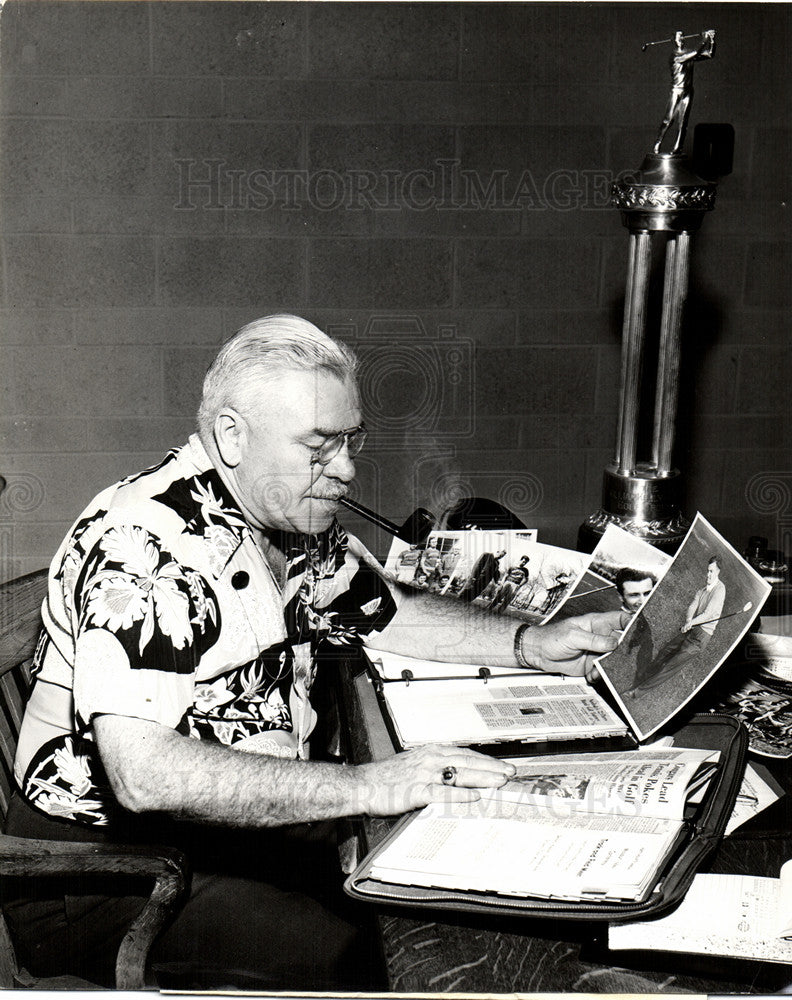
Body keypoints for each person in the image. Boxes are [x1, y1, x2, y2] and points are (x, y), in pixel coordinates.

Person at [5, 315, 623, 990]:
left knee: (460, 880)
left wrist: (533, 645)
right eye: (318, 447)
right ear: (232, 437)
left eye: (349, 442)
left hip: (228, 835)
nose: (347, 470)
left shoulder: (287, 518)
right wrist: (366, 784)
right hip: (111, 880)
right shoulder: (148, 548)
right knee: (370, 957)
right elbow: (143, 775)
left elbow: (389, 613)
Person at [626, 555, 725, 695]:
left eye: (712, 571)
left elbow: (708, 614)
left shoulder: (720, 590)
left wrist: (691, 623)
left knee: (670, 666)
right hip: (693, 628)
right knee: (664, 652)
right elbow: (693, 605)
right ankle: (640, 680)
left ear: (718, 572)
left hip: (701, 637)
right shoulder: (703, 590)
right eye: (707, 571)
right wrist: (689, 620)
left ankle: (637, 692)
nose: (708, 574)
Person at [653, 28, 716, 155]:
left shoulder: (688, 54)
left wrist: (712, 42)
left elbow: (709, 54)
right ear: (674, 40)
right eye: (678, 36)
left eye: (682, 36)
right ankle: (658, 142)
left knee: (683, 122)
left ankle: (678, 148)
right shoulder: (676, 56)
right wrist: (704, 39)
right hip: (676, 91)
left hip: (688, 91)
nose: (681, 38)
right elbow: (696, 51)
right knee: (669, 120)